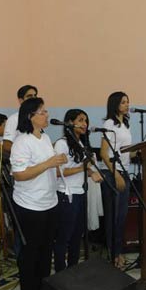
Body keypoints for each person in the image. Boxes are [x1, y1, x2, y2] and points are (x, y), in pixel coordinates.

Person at [10, 97, 66, 290]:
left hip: (49, 202)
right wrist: (48, 163)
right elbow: (19, 175)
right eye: (42, 112)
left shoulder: (45, 137)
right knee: (30, 252)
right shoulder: (22, 141)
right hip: (29, 205)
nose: (46, 114)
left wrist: (57, 162)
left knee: (46, 249)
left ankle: (43, 289)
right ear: (30, 116)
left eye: (45, 111)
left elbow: (48, 166)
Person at [53, 109, 102, 272]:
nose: (84, 124)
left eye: (86, 121)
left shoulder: (80, 143)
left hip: (80, 193)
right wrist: (84, 168)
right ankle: (60, 273)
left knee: (77, 236)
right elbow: (58, 172)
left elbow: (83, 167)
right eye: (80, 120)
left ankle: (73, 270)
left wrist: (92, 173)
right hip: (66, 195)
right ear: (70, 122)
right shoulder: (62, 143)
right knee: (64, 237)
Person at [99, 92, 132, 268]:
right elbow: (104, 152)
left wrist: (139, 150)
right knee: (113, 216)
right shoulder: (109, 124)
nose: (127, 105)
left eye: (127, 102)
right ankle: (113, 254)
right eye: (123, 102)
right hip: (113, 173)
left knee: (122, 217)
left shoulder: (124, 124)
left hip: (124, 171)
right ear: (115, 104)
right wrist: (116, 174)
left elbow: (123, 151)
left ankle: (118, 251)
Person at [2, 85, 38, 154]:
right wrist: (27, 153)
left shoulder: (37, 118)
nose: (34, 99)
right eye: (30, 96)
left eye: (35, 96)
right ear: (21, 100)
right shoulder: (14, 119)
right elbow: (7, 145)